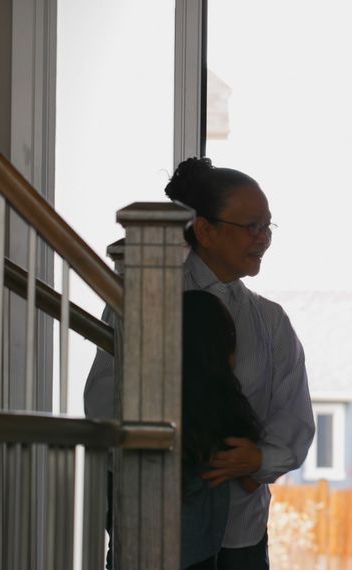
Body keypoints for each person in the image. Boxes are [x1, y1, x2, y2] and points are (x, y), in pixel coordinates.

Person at [84, 157, 315, 570]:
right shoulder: (145, 296)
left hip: (241, 529)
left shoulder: (270, 319)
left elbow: (293, 414)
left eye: (268, 227)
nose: (263, 239)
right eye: (252, 227)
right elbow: (105, 396)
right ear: (206, 230)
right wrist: (180, 455)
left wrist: (260, 459)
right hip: (157, 522)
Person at [180, 290, 264, 569]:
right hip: (201, 554)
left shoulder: (150, 404)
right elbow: (251, 482)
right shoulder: (224, 412)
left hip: (139, 548)